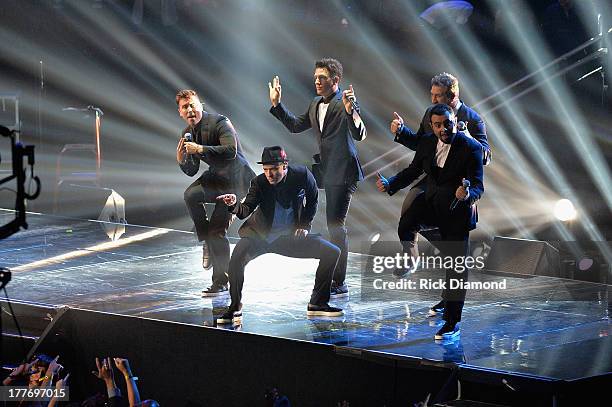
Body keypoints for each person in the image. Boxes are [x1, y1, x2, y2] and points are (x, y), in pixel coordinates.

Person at [377, 104, 484, 340]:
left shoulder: (471, 147)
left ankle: (452, 323)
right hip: (432, 204)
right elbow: (413, 170)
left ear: (455, 120)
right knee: (406, 222)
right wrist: (391, 184)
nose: (443, 129)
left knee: (456, 268)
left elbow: (478, 186)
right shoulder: (427, 142)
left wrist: (466, 194)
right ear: (432, 126)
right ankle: (412, 257)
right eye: (437, 125)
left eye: (447, 123)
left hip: (457, 211)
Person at [268, 58, 366, 298]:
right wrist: (277, 105)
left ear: (335, 80)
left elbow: (359, 133)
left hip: (344, 172)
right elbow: (294, 125)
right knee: (301, 191)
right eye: (315, 78)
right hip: (326, 170)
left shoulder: (345, 102)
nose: (317, 82)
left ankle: (339, 280)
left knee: (336, 225)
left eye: (322, 78)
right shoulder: (314, 103)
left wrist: (351, 111)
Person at [216, 146, 343, 324]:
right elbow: (245, 211)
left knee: (332, 252)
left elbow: (313, 199)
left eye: (274, 169)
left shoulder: (302, 175)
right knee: (237, 258)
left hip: (288, 238)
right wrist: (234, 205)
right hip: (259, 236)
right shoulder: (259, 182)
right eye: (266, 170)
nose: (270, 174)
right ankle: (235, 307)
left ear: (285, 166)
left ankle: (318, 303)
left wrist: (304, 225)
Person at [388, 72, 490, 283]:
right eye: (432, 94)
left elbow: (486, 156)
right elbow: (421, 145)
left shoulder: (473, 119)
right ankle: (412, 257)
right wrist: (401, 132)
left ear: (452, 96)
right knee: (410, 209)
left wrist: (468, 137)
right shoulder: (431, 113)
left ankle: (453, 258)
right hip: (433, 178)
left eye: (438, 95)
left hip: (457, 182)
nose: (433, 100)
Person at [176, 89, 255, 297]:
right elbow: (192, 170)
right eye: (185, 107)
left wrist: (200, 149)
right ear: (180, 112)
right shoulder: (188, 133)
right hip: (216, 178)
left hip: (235, 181)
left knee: (217, 232)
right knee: (190, 195)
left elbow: (231, 151)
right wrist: (182, 160)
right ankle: (206, 242)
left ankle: (221, 282)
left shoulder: (220, 122)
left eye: (193, 105)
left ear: (200, 105)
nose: (190, 109)